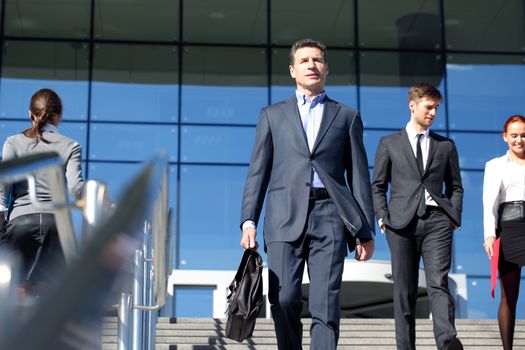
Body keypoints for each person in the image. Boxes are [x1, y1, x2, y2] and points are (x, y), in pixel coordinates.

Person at [239, 38, 375, 349]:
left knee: (325, 304)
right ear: (292, 70)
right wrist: (248, 221)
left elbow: (358, 176)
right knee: (284, 297)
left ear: (326, 68)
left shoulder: (346, 116)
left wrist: (365, 230)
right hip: (283, 215)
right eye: (304, 60)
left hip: (331, 216)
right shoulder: (272, 115)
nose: (311, 65)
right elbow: (257, 172)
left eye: (317, 60)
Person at [371, 82, 464, 350]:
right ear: (412, 106)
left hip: (438, 222)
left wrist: (453, 215)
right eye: (429, 106)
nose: (433, 112)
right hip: (400, 226)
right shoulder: (388, 143)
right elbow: (378, 185)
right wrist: (383, 218)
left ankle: (447, 341)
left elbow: (455, 186)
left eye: (436, 108)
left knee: (438, 283)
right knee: (404, 292)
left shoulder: (446, 146)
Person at [0, 88, 84, 297]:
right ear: (59, 116)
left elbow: (3, 185)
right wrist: (99, 201)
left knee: (18, 286)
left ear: (30, 114)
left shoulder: (13, 142)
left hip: (21, 222)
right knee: (48, 287)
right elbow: (76, 187)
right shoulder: (71, 145)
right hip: (56, 223)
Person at [482, 114, 525, 350]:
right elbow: (490, 202)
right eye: (515, 135)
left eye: (524, 135)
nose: (519, 140)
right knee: (510, 295)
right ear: (505, 136)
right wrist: (489, 235)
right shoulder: (495, 165)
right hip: (508, 228)